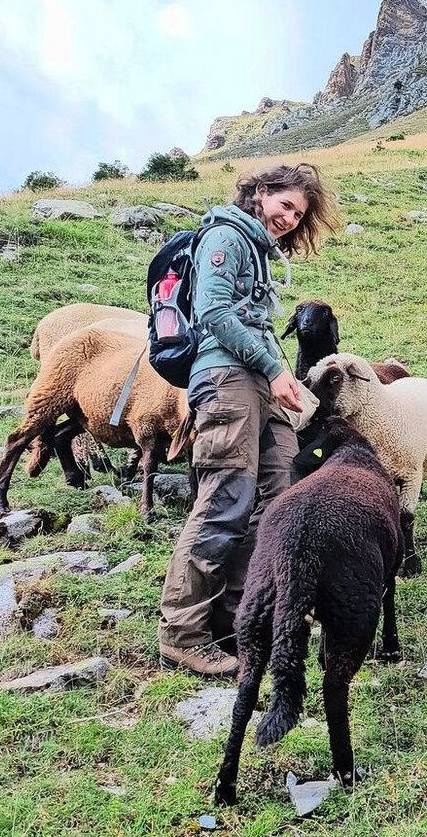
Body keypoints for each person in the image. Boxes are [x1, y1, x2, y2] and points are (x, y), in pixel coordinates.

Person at [158, 163, 340, 676]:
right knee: (224, 498)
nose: (289, 217)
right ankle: (182, 631)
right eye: (285, 204)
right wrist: (273, 367)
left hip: (262, 383)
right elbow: (214, 312)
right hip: (227, 378)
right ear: (261, 193)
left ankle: (240, 616)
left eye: (298, 213)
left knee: (279, 492)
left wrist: (277, 374)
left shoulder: (261, 254)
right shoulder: (226, 236)